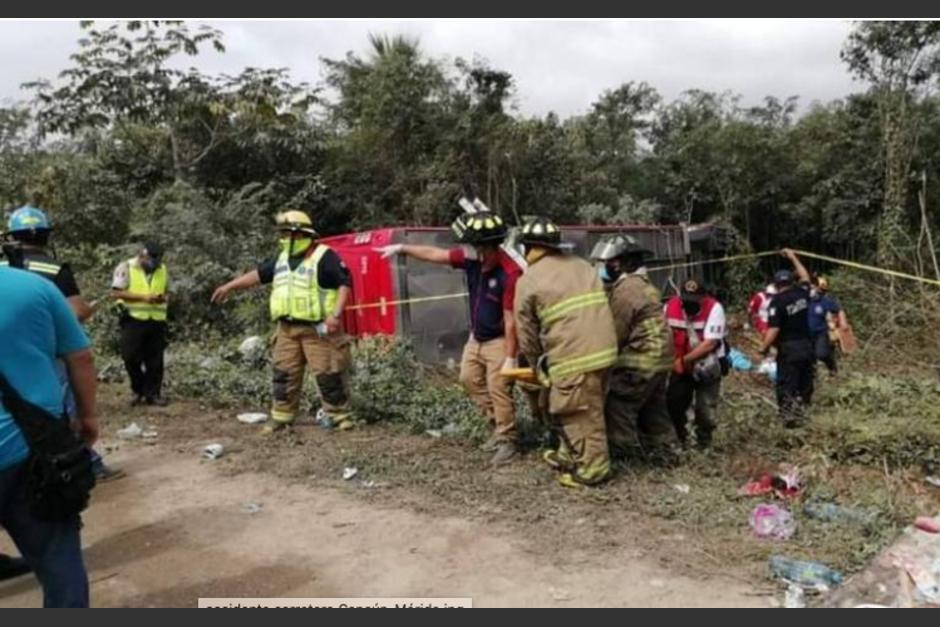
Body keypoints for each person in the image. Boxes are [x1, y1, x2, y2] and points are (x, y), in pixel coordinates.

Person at [376, 211, 523, 465]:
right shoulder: (473, 261)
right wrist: (402, 248)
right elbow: (437, 255)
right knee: (468, 380)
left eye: (471, 244)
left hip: (499, 340)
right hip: (476, 338)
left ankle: (508, 440)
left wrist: (511, 357)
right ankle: (495, 426)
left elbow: (512, 321)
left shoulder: (509, 273)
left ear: (484, 246)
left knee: (499, 389)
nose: (465, 249)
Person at [0, 264, 99, 607]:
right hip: (33, 451)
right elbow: (80, 357)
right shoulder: (34, 287)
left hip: (27, 452)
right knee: (58, 561)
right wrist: (87, 417)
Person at [3, 206, 123, 482]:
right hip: (48, 354)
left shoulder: (3, 269)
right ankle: (83, 463)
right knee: (62, 408)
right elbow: (76, 315)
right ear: (45, 237)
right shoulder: (55, 270)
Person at [211, 211, 355, 433]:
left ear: (305, 235)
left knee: (329, 374)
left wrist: (335, 315)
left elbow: (344, 283)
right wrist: (229, 286)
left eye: (292, 235)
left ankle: (339, 416)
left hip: (319, 330)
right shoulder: (281, 259)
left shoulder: (325, 257)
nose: (288, 240)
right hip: (287, 330)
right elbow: (258, 275)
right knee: (283, 374)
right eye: (285, 235)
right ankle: (282, 416)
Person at [514, 216, 618, 488]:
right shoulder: (583, 266)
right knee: (583, 405)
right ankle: (568, 453)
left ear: (528, 247)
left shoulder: (529, 280)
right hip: (605, 351)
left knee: (576, 412)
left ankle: (594, 470)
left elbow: (526, 333)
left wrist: (538, 364)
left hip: (574, 356)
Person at [591, 234, 676, 464]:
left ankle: (626, 457)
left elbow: (614, 333)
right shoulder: (643, 285)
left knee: (618, 404)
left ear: (623, 263)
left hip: (641, 358)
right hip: (661, 358)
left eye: (608, 262)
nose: (604, 268)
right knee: (653, 408)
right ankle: (667, 453)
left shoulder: (626, 290)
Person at [664, 279, 727, 448]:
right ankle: (680, 440)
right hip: (680, 365)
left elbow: (710, 343)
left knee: (705, 410)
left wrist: (684, 360)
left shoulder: (714, 308)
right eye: (686, 300)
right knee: (674, 404)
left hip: (706, 365)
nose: (689, 304)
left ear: (703, 297)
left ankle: (704, 443)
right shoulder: (670, 307)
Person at [758, 250, 815, 427]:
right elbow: (805, 276)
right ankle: (804, 412)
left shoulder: (777, 302)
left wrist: (763, 348)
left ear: (775, 285)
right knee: (805, 380)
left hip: (789, 348)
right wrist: (792, 257)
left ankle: (788, 419)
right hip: (807, 346)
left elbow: (774, 329)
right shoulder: (801, 293)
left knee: (787, 383)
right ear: (792, 281)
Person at [111, 242, 169, 407]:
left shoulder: (162, 269)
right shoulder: (126, 267)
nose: (155, 263)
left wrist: (163, 298)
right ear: (143, 256)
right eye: (152, 259)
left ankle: (153, 394)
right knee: (129, 356)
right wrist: (144, 298)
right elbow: (116, 292)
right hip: (133, 318)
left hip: (156, 319)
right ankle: (138, 389)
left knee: (155, 360)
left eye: (158, 260)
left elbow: (166, 291)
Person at [809, 274, 848, 375]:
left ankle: (832, 365)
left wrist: (843, 322)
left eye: (814, 286)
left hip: (820, 332)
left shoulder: (824, 300)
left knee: (821, 354)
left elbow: (838, 310)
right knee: (808, 356)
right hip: (805, 334)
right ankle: (812, 375)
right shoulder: (802, 300)